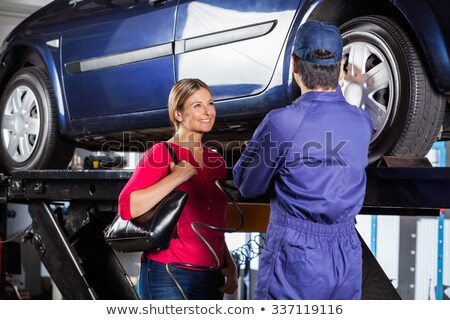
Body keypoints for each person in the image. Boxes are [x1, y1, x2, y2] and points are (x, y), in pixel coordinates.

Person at [233, 20, 373, 300]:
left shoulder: (282, 123)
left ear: (294, 65)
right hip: (347, 252)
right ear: (341, 66)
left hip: (298, 256)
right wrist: (352, 86)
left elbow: (248, 185)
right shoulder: (362, 122)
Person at [118, 78, 238, 300]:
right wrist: (176, 177)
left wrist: (228, 264)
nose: (207, 111)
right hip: (167, 272)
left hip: (210, 274)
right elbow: (127, 207)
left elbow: (212, 222)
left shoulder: (216, 161)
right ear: (178, 114)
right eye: (197, 105)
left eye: (210, 103)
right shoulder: (161, 153)